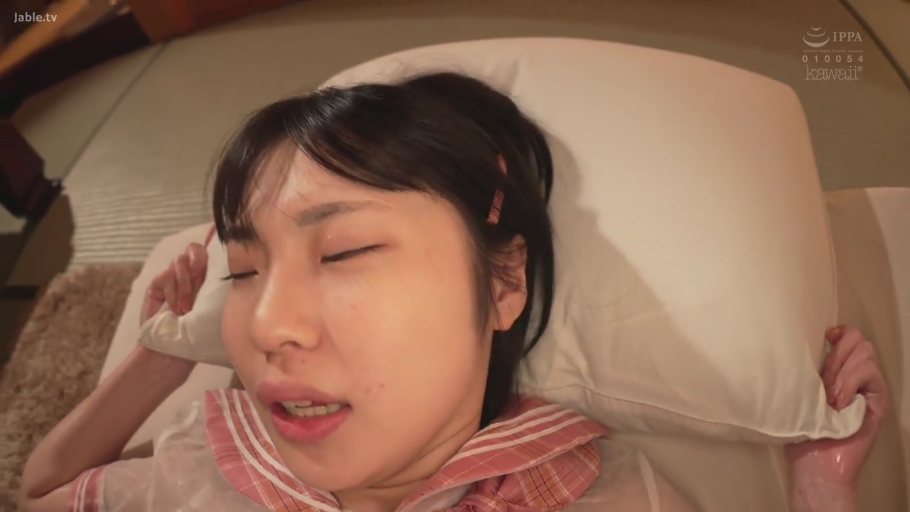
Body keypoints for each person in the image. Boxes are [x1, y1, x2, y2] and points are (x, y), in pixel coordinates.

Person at [18, 72, 889, 512]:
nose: (269, 324)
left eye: (345, 251)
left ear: (504, 280)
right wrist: (160, 359)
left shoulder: (602, 493)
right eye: (244, 271)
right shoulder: (214, 457)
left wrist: (821, 492)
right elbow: (45, 489)